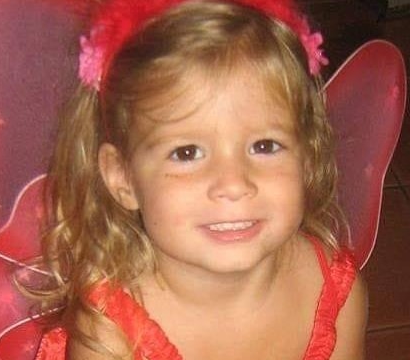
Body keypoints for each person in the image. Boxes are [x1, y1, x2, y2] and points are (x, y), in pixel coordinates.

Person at [34, 1, 368, 359]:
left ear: (306, 154)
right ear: (123, 177)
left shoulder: (335, 294)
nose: (234, 184)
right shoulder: (109, 333)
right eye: (187, 153)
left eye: (265, 145)